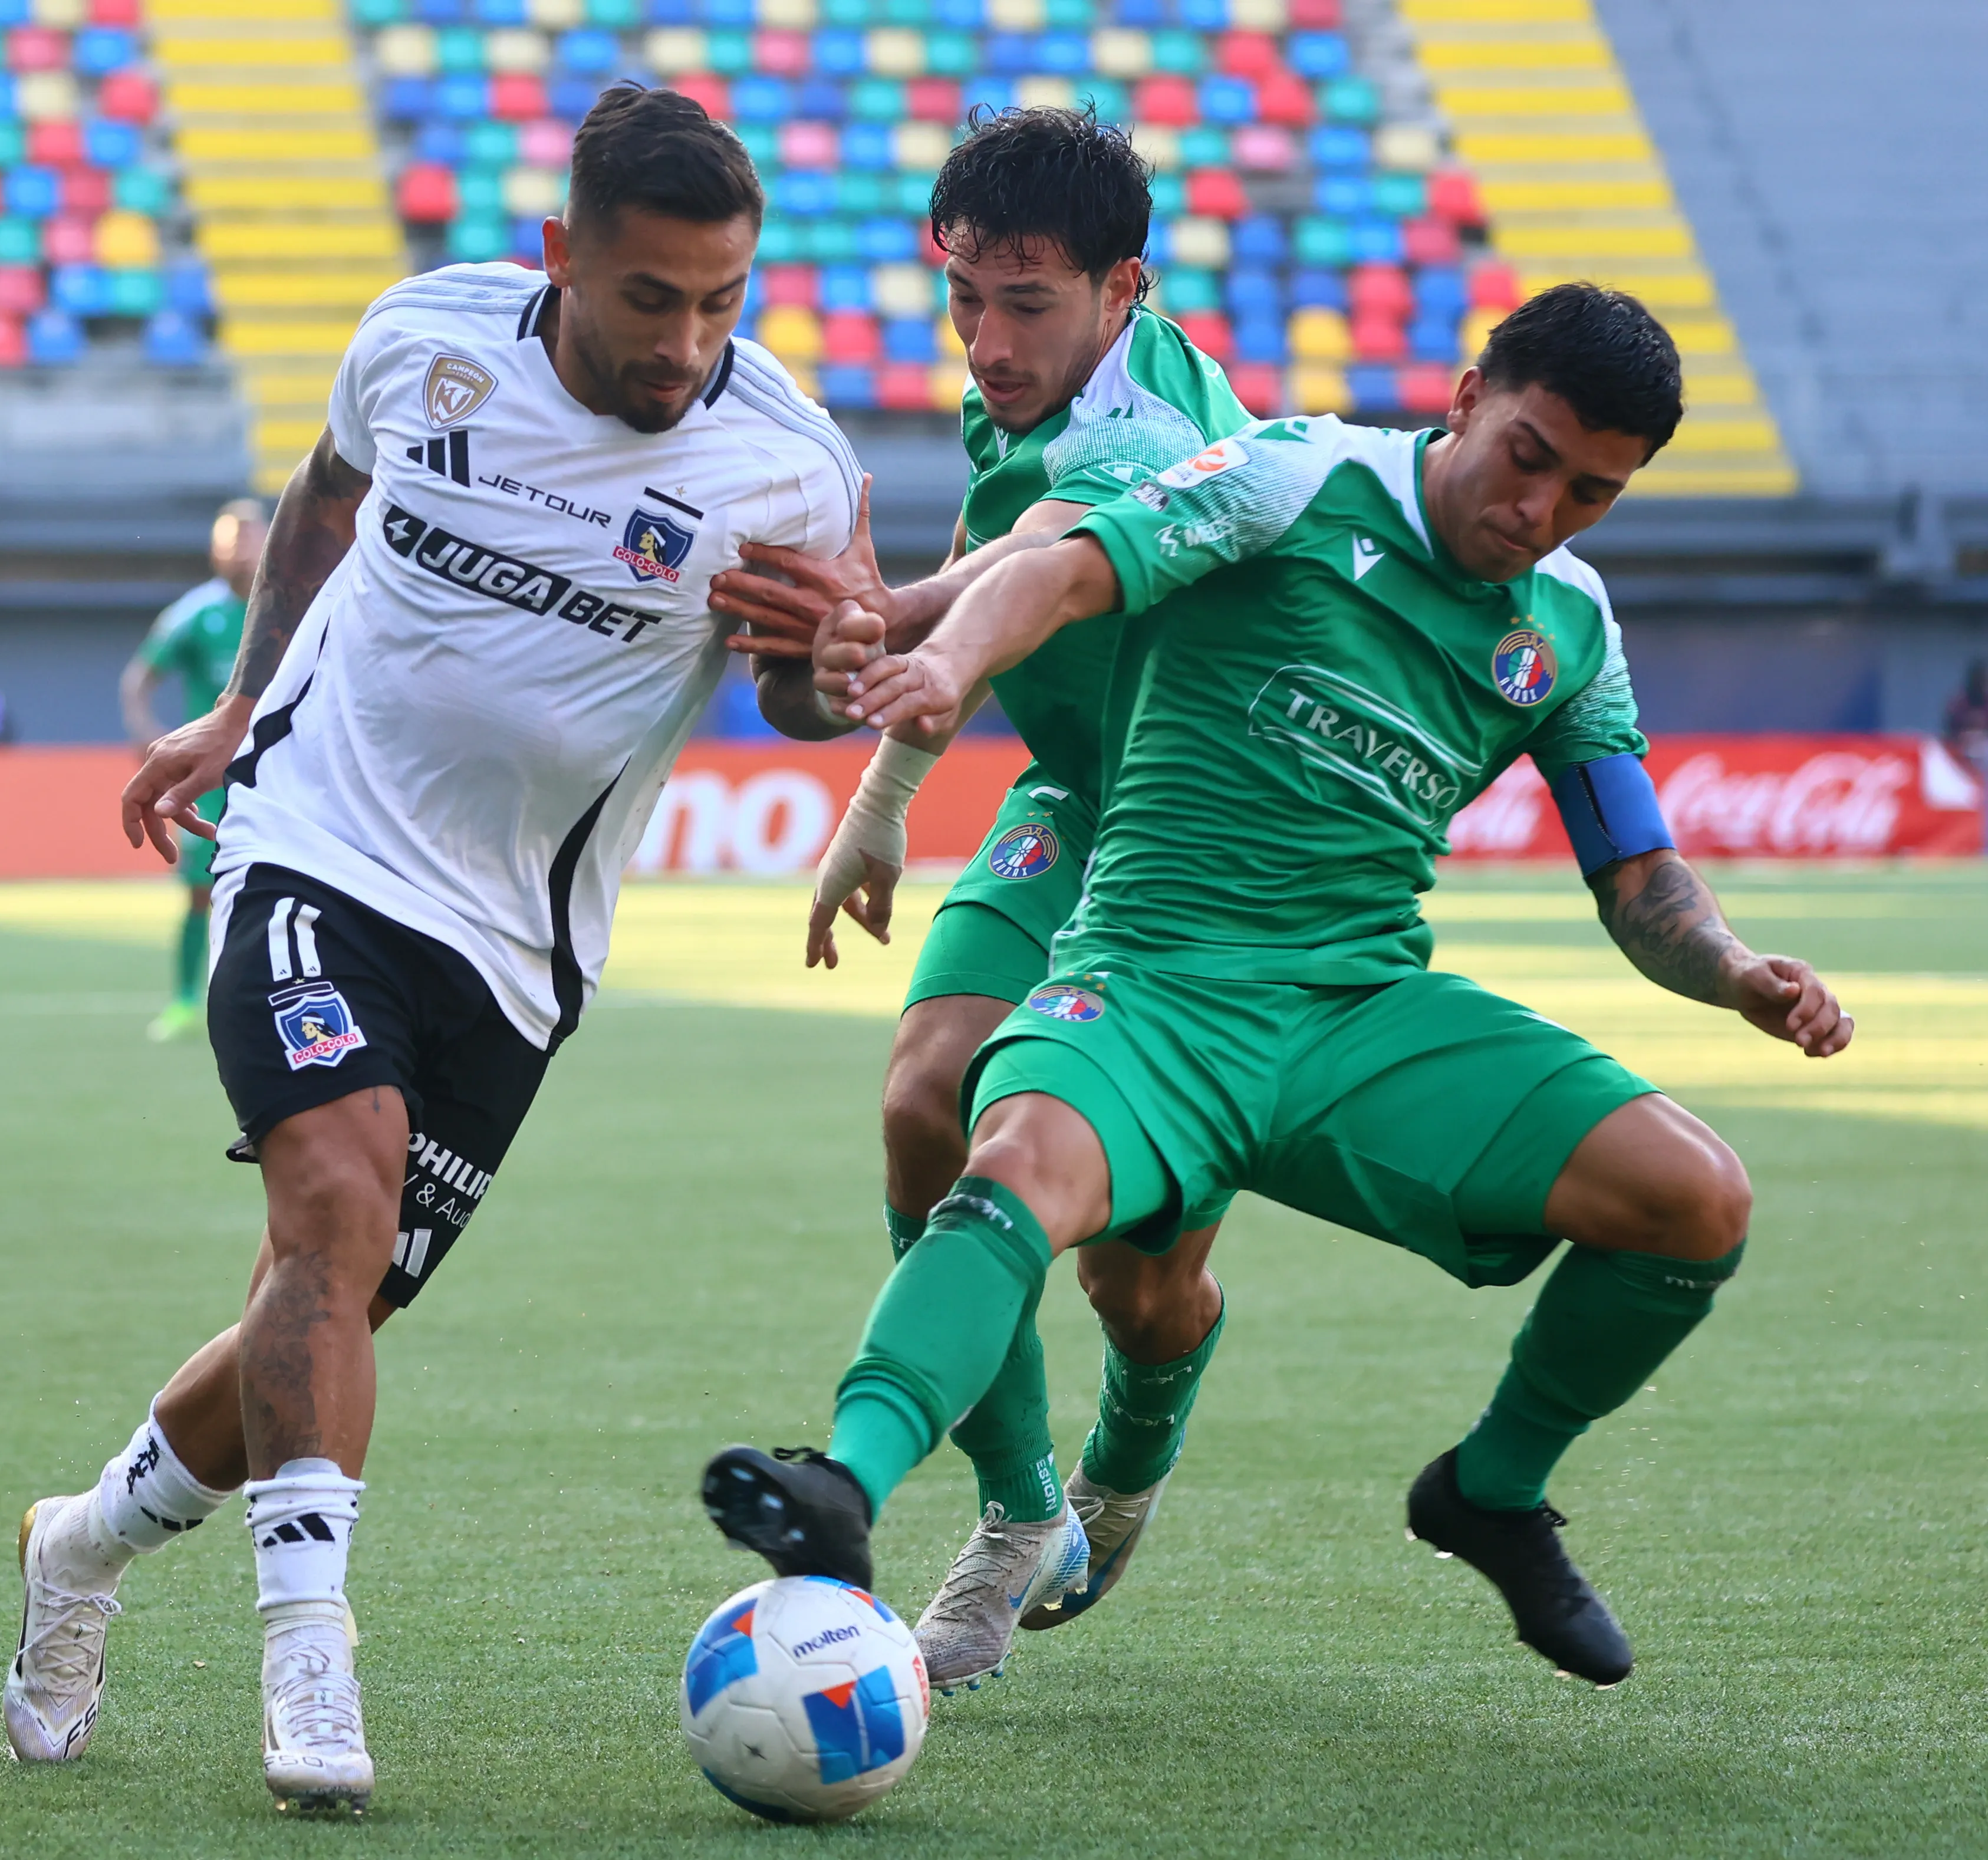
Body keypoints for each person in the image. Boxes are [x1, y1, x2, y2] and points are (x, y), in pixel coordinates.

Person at [704, 285, 1855, 1691]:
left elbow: (1638, 875)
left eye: (1593, 492)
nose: (1542, 509)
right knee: (1000, 1159)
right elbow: (1060, 565)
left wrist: (1735, 970)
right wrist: (940, 660)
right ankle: (844, 1489)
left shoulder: (1570, 624)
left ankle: (1491, 1489)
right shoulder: (1297, 473)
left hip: (1358, 1010)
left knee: (1697, 1198)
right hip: (1154, 979)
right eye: (1529, 454)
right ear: (1467, 392)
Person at [0, 84, 859, 1812]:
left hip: (520, 946)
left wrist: (823, 664)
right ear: (559, 259)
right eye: (647, 299)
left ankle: (79, 1543)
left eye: (718, 301)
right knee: (331, 1195)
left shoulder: (784, 460)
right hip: (316, 834)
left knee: (328, 1303)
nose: (685, 341)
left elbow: (792, 685)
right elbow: (322, 498)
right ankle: (308, 1651)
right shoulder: (421, 341)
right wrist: (244, 700)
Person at [708, 105, 1253, 1691]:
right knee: (920, 1099)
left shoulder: (1140, 446)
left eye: (1025, 303)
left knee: (1135, 1285)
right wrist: (875, 811)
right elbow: (979, 576)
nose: (986, 339)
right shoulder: (1018, 389)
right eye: (964, 297)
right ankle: (1019, 1517)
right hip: (1073, 799)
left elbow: (1016, 558)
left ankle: (1123, 1463)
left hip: (1204, 852)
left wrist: (866, 629)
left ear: (1121, 289)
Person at [123, 497, 269, 1042]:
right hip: (209, 781)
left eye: (249, 536)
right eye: (228, 537)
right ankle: (187, 999)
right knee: (199, 890)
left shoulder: (293, 606)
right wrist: (146, 733)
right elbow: (139, 678)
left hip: (279, 772)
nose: (238, 547)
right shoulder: (194, 615)